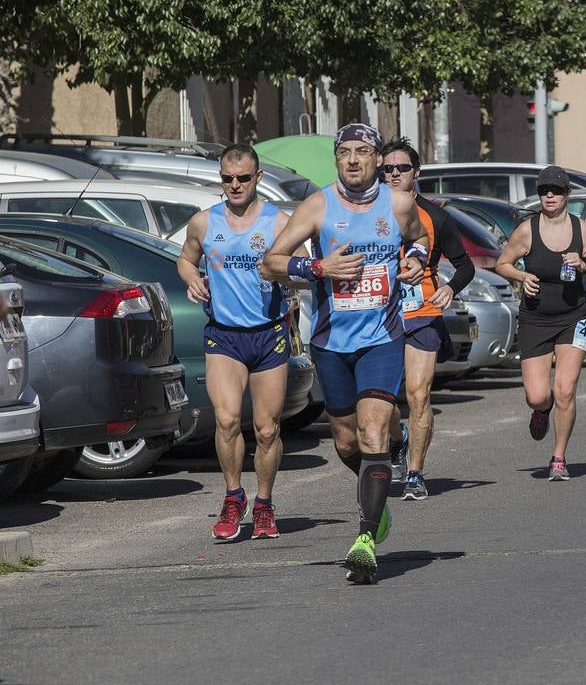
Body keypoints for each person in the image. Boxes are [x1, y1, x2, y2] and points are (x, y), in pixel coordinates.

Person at [261, 123, 427, 584]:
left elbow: (419, 240)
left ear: (377, 159)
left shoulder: (398, 203)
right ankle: (377, 498)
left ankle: (365, 538)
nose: (353, 160)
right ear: (337, 160)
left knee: (374, 431)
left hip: (382, 336)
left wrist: (414, 260)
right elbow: (271, 261)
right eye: (345, 153)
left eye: (362, 152)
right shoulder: (318, 205)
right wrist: (318, 267)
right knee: (347, 443)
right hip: (331, 341)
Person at [177, 144, 300, 542]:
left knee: (267, 429)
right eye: (228, 179)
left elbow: (300, 268)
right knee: (227, 421)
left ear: (258, 178)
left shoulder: (279, 222)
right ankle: (233, 496)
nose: (235, 185)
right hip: (224, 336)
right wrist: (191, 279)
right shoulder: (203, 222)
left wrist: (290, 278)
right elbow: (185, 258)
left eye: (243, 178)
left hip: (268, 335)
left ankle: (263, 503)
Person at [379, 138, 475, 501]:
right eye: (387, 168)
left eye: (401, 168)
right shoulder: (366, 213)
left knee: (418, 395)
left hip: (422, 313)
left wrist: (450, 289)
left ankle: (415, 474)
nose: (393, 174)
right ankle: (396, 439)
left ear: (415, 173)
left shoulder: (435, 216)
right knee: (383, 398)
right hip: (379, 314)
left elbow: (465, 265)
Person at [496, 166, 586, 481]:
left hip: (574, 317)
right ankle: (542, 411)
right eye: (544, 191)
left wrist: (583, 266)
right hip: (535, 318)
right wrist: (522, 275)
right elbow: (502, 263)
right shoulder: (527, 230)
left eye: (555, 191)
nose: (549, 196)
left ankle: (558, 457)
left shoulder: (582, 230)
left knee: (565, 390)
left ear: (566, 194)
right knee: (538, 395)